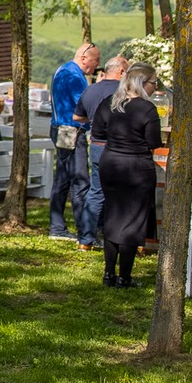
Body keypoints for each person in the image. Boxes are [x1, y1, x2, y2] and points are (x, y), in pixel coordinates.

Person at [94, 61, 161, 288]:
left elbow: (98, 132)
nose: (155, 87)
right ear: (143, 83)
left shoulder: (110, 103)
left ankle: (108, 273)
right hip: (137, 167)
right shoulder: (146, 109)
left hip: (111, 163)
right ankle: (125, 276)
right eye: (154, 83)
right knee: (133, 221)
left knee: (113, 216)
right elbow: (154, 142)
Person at [74, 55, 129, 251]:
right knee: (121, 193)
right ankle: (117, 238)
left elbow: (76, 116)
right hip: (118, 146)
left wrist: (92, 121)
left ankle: (85, 239)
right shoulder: (123, 92)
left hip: (96, 144)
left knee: (96, 192)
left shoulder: (90, 90)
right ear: (121, 71)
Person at [48, 42, 100, 241]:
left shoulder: (63, 70)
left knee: (62, 179)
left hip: (60, 129)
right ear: (84, 58)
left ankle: (57, 226)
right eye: (95, 61)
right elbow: (85, 106)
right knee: (80, 181)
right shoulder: (74, 76)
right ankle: (84, 232)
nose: (96, 66)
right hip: (71, 131)